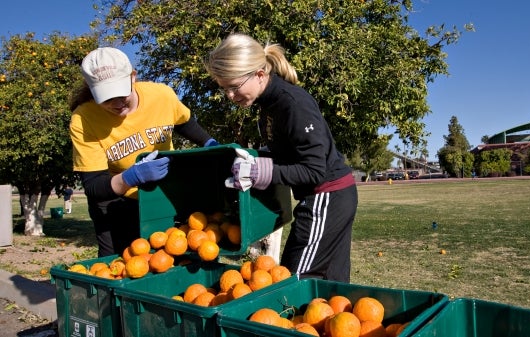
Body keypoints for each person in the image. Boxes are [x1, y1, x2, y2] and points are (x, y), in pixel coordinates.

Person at [205, 33, 358, 282]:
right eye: (225, 89)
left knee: (291, 279)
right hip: (325, 197)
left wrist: (260, 172)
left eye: (234, 87)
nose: (230, 96)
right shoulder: (268, 106)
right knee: (332, 283)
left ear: (259, 74)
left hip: (327, 195)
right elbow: (287, 154)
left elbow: (314, 170)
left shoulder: (292, 103)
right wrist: (254, 159)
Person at [70, 47, 218, 257]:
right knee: (120, 264)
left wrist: (209, 142)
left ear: (133, 77)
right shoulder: (83, 120)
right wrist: (132, 177)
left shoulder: (161, 95)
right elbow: (94, 186)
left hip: (162, 195)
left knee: (169, 257)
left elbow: (183, 121)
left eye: (122, 93)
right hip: (115, 204)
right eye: (107, 98)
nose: (117, 103)